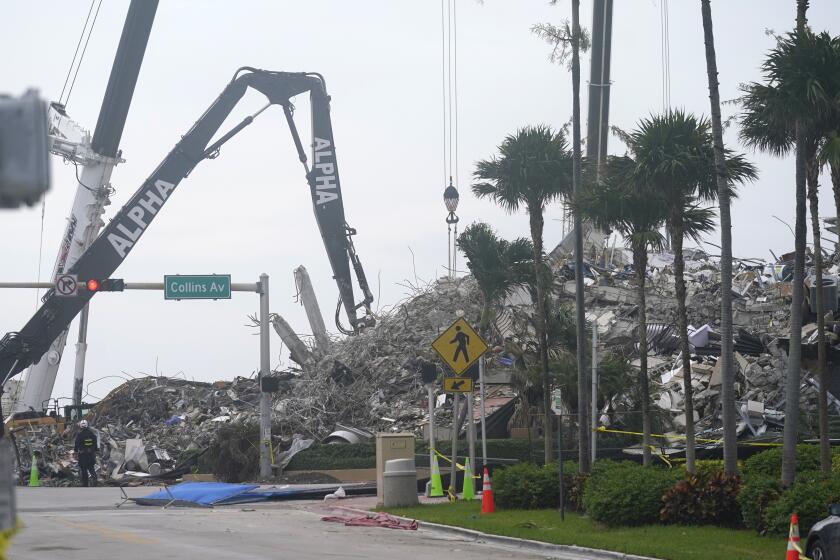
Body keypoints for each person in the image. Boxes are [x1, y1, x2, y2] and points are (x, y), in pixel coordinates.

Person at [74, 420, 98, 487]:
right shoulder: (92, 434)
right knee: (91, 468)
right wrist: (94, 451)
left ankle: (85, 484)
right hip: (91, 455)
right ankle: (95, 482)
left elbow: (76, 444)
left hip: (83, 455)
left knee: (84, 469)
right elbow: (95, 445)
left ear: (80, 426)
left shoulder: (79, 435)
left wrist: (75, 451)